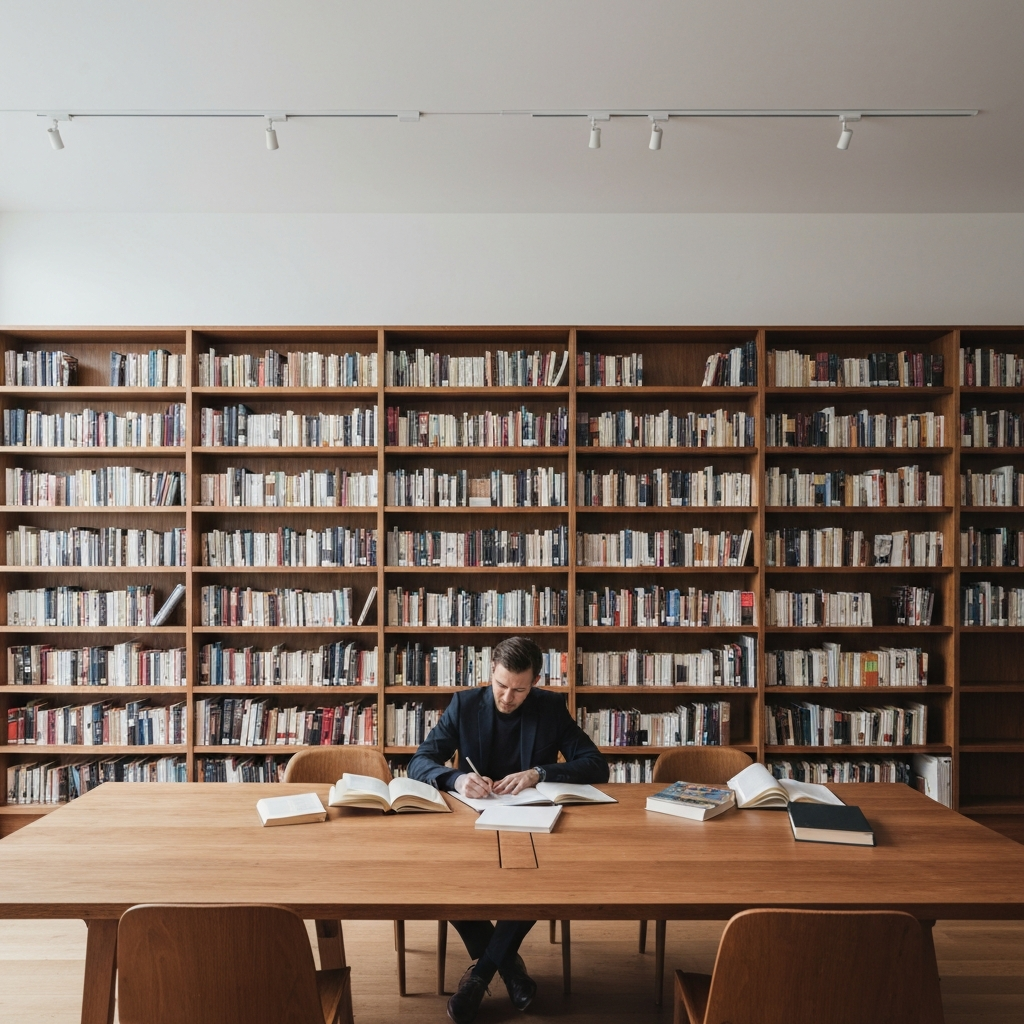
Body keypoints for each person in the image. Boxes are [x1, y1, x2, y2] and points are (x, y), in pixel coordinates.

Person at [408, 636, 608, 1024]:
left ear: (535, 681)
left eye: (519, 689)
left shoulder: (549, 707)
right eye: (501, 686)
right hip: (471, 822)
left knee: (536, 886)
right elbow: (421, 760)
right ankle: (510, 971)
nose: (507, 697)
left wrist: (540, 773)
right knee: (449, 884)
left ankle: (479, 976)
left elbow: (595, 764)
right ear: (491, 674)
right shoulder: (464, 704)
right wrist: (455, 779)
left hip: (531, 824)